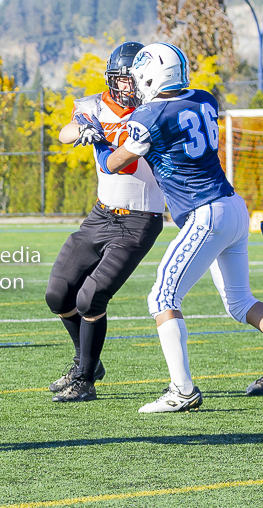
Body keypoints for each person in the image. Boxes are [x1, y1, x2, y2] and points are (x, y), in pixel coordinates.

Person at [97, 42, 263, 411]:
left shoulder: (148, 116)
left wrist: (101, 147)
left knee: (161, 298)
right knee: (240, 303)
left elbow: (116, 163)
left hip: (206, 213)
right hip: (233, 207)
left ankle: (182, 391)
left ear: (152, 78)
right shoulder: (204, 99)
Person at [45, 42, 165, 402]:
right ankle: (88, 362)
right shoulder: (94, 105)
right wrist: (82, 128)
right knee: (58, 293)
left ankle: (85, 379)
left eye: (134, 80)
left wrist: (106, 138)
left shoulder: (158, 111)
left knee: (90, 298)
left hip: (140, 218)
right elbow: (66, 132)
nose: (128, 87)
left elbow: (125, 161)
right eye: (123, 80)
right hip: (101, 214)